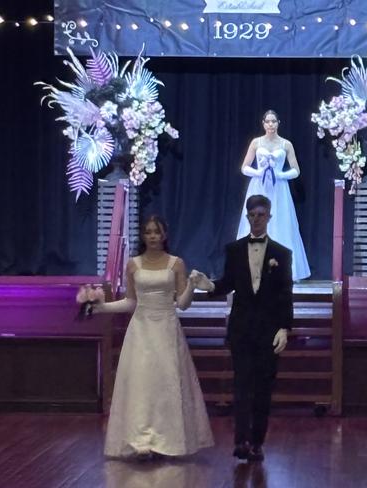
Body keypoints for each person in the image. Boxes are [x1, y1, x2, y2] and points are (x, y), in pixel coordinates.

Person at [91, 215, 214, 459]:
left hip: (167, 328)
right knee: (141, 384)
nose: (153, 236)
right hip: (141, 330)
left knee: (166, 383)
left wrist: (191, 286)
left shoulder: (176, 263)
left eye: (156, 232)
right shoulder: (133, 264)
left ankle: (167, 440)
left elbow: (182, 304)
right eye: (148, 232)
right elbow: (131, 302)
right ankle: (141, 441)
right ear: (143, 236)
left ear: (164, 235)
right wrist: (102, 307)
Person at [193, 195, 293, 462]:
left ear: (269, 217)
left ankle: (257, 442)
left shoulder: (282, 254)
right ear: (247, 217)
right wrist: (210, 285)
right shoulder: (234, 249)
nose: (257, 218)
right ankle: (241, 441)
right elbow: (228, 283)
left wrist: (284, 328)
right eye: (252, 214)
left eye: (261, 214)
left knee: (263, 388)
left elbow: (285, 293)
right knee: (241, 385)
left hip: (268, 330)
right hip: (242, 329)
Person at [237, 109, 311, 281]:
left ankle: (283, 269)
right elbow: (244, 167)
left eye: (273, 121)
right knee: (256, 223)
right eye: (267, 121)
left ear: (278, 123)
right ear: (263, 124)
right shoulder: (256, 142)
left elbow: (296, 170)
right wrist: (258, 172)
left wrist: (280, 175)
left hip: (279, 188)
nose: (270, 124)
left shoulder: (286, 144)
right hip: (259, 186)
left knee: (281, 222)